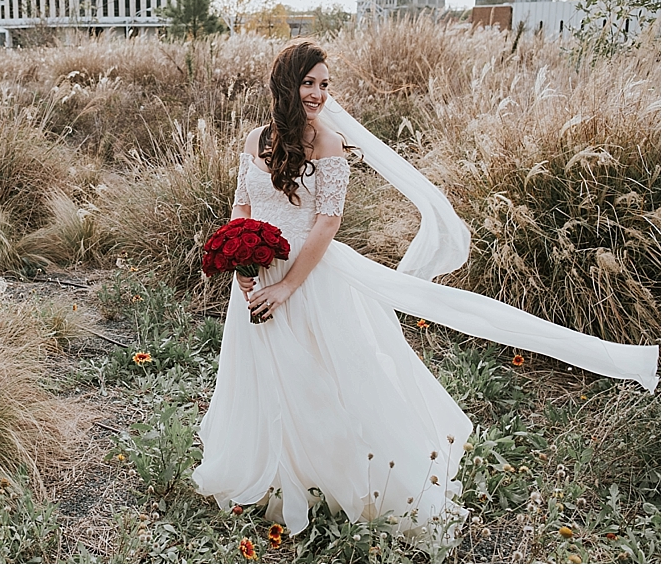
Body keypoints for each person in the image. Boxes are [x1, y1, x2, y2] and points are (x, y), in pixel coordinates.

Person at [190, 40, 659, 543]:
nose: (319, 93)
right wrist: (242, 258)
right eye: (309, 82)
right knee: (268, 374)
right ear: (286, 82)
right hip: (256, 276)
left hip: (309, 278)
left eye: (325, 84)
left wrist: (285, 286)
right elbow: (242, 206)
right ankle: (282, 474)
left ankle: (355, 476)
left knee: (325, 376)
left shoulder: (327, 144)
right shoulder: (253, 140)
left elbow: (327, 223)